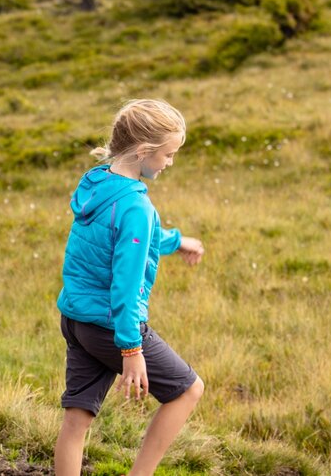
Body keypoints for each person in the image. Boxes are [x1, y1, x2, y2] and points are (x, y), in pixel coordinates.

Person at [54, 99, 206, 476]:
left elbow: (130, 236)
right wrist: (131, 349)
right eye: (168, 154)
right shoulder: (136, 208)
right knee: (188, 391)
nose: (170, 162)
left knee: (76, 422)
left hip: (77, 319)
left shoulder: (98, 181)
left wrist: (176, 241)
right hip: (113, 327)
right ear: (143, 151)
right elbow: (126, 285)